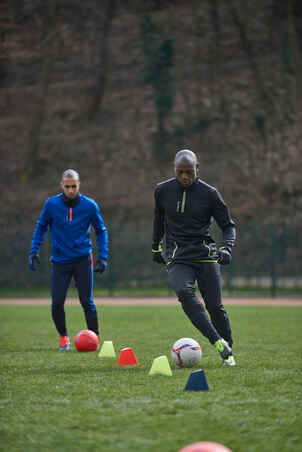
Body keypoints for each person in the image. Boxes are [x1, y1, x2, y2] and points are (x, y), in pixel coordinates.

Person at [152, 149, 236, 366]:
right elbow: (159, 219)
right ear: (174, 168)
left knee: (215, 307)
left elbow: (228, 226)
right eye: (180, 172)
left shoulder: (210, 193)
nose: (185, 177)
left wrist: (227, 248)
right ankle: (218, 342)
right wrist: (155, 246)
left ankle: (229, 349)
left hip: (205, 255)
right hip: (178, 256)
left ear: (197, 168)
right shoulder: (162, 190)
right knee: (184, 292)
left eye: (189, 172)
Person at [28, 169, 108, 351]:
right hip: (60, 261)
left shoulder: (90, 205)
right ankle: (63, 337)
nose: (71, 190)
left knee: (87, 302)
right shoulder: (51, 205)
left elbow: (101, 230)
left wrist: (103, 256)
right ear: (62, 186)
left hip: (82, 259)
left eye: (74, 186)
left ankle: (94, 338)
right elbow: (40, 228)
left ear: (79, 185)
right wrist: (34, 251)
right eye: (67, 186)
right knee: (56, 302)